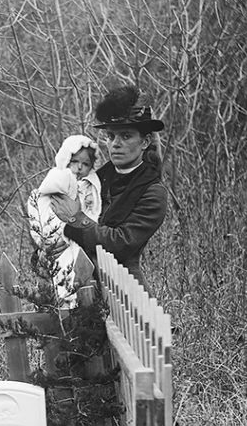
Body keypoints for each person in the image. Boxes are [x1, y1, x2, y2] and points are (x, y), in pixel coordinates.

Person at [51, 84, 167, 290]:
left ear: (145, 141)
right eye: (111, 136)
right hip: (78, 284)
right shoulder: (93, 181)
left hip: (126, 295)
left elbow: (119, 245)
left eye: (126, 136)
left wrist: (74, 219)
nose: (115, 144)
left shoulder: (152, 192)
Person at [26, 134, 103, 308]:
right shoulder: (60, 176)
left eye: (86, 164)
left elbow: (91, 212)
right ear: (66, 159)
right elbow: (45, 198)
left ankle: (69, 297)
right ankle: (62, 298)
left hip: (79, 242)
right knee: (57, 269)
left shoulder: (91, 184)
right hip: (56, 234)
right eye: (75, 161)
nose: (79, 167)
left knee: (74, 269)